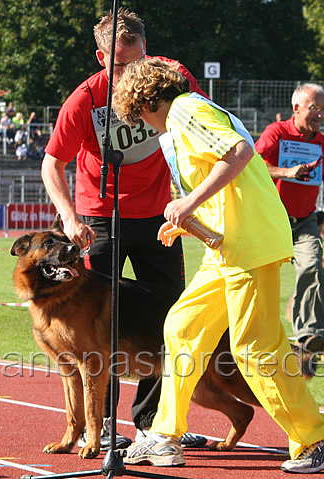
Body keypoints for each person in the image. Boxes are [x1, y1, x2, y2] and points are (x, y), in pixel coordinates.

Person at [113, 58, 324, 474]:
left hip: (249, 245)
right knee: (182, 326)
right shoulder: (187, 114)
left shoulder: (186, 110)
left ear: (146, 102)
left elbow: (239, 153)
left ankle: (319, 440)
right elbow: (232, 181)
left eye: (137, 116)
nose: (144, 127)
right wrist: (189, 224)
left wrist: (188, 202)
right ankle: (164, 436)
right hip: (228, 248)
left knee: (256, 351)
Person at [41, 8, 208, 450]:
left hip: (160, 216)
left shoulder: (172, 78)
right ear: (101, 58)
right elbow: (51, 164)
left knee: (168, 319)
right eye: (121, 65)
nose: (134, 72)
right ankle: (104, 429)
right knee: (102, 330)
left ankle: (153, 424)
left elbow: (204, 124)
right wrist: (70, 217)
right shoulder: (85, 99)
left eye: (139, 59)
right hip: (100, 218)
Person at [255, 83, 324, 355]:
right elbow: (251, 165)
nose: (320, 114)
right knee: (257, 277)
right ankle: (252, 334)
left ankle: (310, 338)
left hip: (305, 221)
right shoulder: (276, 133)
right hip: (270, 219)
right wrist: (285, 172)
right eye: (314, 108)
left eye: (323, 109)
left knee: (311, 268)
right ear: (296, 108)